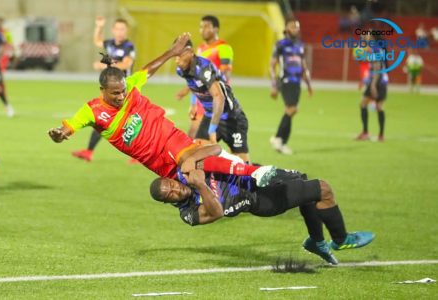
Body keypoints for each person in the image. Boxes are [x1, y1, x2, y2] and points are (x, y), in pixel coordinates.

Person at [48, 34, 276, 185]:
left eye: (123, 91)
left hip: (167, 137)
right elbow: (67, 130)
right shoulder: (91, 110)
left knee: (197, 161)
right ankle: (248, 178)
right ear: (102, 90)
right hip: (154, 160)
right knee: (193, 184)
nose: (121, 96)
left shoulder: (130, 85)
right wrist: (59, 134)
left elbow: (149, 69)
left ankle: (252, 173)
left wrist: (171, 52)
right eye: (115, 93)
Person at [150, 162, 374, 265]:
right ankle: (341, 239)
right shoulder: (188, 213)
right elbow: (216, 213)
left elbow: (213, 151)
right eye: (169, 195)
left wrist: (199, 153)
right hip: (262, 200)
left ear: (171, 179)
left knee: (304, 182)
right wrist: (201, 185)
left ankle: (316, 241)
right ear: (167, 202)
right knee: (322, 189)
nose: (175, 190)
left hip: (256, 176)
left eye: (171, 185)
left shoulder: (186, 170)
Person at [174, 39, 250, 163]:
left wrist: (212, 130)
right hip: (210, 115)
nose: (177, 60)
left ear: (190, 52)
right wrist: (193, 105)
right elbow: (195, 84)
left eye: (179, 55)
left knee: (243, 165)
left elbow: (219, 98)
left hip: (231, 118)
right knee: (197, 155)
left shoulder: (204, 69)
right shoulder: (182, 69)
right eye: (175, 56)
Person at [72, 17, 136, 162]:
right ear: (113, 30)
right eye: (117, 29)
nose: (120, 32)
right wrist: (99, 27)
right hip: (112, 91)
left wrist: (104, 65)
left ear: (126, 31)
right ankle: (89, 151)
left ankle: (141, 154)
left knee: (128, 123)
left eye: (122, 29)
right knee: (104, 119)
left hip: (126, 90)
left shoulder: (128, 46)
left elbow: (126, 64)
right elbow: (97, 40)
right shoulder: (110, 44)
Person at [176, 15, 234, 139]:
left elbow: (225, 74)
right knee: (194, 135)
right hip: (202, 98)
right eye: (201, 27)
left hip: (217, 97)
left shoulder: (224, 47)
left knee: (208, 139)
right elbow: (195, 78)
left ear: (216, 29)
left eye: (207, 26)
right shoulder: (201, 48)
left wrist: (186, 90)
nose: (203, 30)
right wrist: (193, 104)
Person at [269, 19, 312, 155]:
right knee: (292, 109)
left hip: (297, 81)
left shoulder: (299, 45)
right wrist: (274, 85)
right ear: (286, 28)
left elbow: (303, 66)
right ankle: (278, 138)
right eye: (292, 26)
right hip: (286, 80)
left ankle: (282, 142)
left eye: (297, 27)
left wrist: (309, 84)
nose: (295, 29)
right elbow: (272, 65)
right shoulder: (280, 44)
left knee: (290, 110)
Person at [356, 37, 388, 142]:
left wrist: (373, 85)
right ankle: (380, 135)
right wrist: (364, 81)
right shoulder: (376, 50)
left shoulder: (375, 50)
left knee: (366, 104)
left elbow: (377, 68)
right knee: (377, 106)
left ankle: (367, 133)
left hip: (378, 82)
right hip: (381, 81)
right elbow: (373, 69)